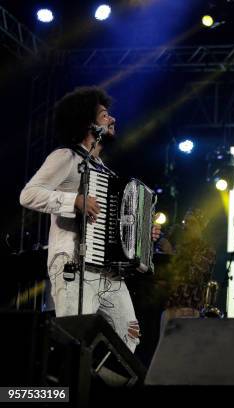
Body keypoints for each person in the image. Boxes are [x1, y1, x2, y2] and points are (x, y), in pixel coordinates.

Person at [20, 86, 161, 352]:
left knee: (128, 335)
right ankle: (69, 391)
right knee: (75, 337)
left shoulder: (105, 170)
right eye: (105, 115)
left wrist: (142, 232)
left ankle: (97, 389)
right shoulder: (66, 157)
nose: (113, 119)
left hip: (107, 269)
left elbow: (113, 221)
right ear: (87, 123)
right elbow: (28, 195)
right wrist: (73, 200)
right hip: (73, 262)